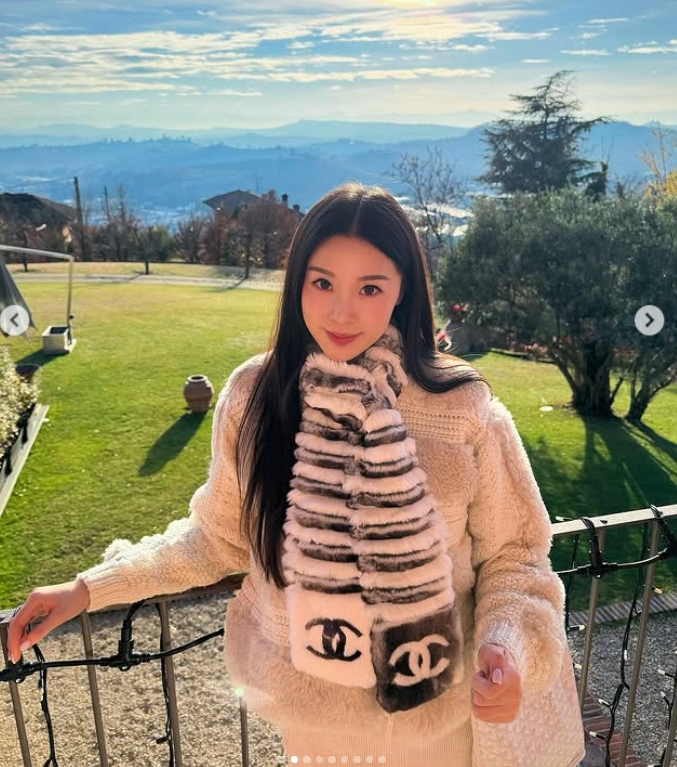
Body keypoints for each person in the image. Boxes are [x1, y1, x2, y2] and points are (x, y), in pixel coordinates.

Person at [6, 183, 585, 767]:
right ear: (296, 283)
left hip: (438, 728)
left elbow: (516, 554)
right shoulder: (254, 398)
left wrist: (508, 648)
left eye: (370, 288)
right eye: (322, 282)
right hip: (312, 730)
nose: (341, 312)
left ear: (403, 290)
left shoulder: (461, 408)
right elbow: (216, 540)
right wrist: (89, 589)